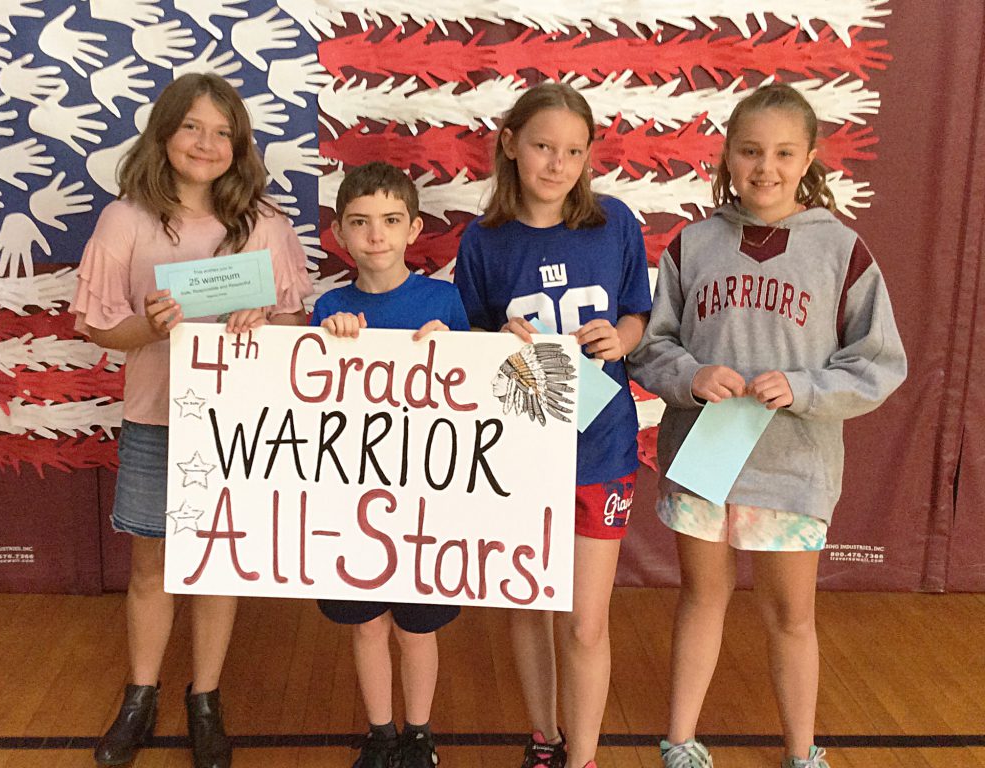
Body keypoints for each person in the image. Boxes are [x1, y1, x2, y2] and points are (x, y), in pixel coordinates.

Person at [625, 83, 907, 768]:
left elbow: (878, 363)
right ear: (727, 154)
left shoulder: (842, 250)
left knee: (791, 616)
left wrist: (806, 387)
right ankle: (681, 740)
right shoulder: (693, 245)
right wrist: (689, 375)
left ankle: (800, 751)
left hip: (792, 462)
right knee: (701, 597)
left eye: (783, 153)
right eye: (750, 151)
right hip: (705, 458)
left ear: (810, 157)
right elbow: (652, 344)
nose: (765, 168)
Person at [71, 73, 311, 768]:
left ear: (239, 144)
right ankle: (139, 697)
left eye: (222, 131)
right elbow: (96, 325)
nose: (206, 144)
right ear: (164, 134)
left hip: (238, 426)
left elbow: (299, 324)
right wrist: (146, 329)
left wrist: (265, 317)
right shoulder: (126, 219)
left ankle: (204, 699)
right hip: (156, 417)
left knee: (218, 565)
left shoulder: (264, 222)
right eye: (191, 128)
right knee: (151, 566)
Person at [454, 83, 652, 768]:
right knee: (528, 607)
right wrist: (496, 341)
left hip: (601, 446)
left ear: (589, 156)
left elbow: (637, 313)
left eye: (573, 150)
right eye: (542, 146)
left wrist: (622, 339)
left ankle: (584, 756)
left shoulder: (617, 222)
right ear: (510, 144)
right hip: (522, 452)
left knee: (587, 621)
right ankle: (544, 736)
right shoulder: (482, 242)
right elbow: (469, 342)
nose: (556, 163)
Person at [312, 161, 470, 768]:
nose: (375, 235)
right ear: (340, 236)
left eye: (389, 221)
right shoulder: (329, 306)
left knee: (415, 627)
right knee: (369, 624)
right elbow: (305, 398)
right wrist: (329, 336)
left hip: (426, 498)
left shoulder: (444, 300)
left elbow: (476, 396)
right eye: (360, 223)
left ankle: (419, 734)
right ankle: (380, 735)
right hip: (352, 500)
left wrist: (453, 348)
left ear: (413, 228)